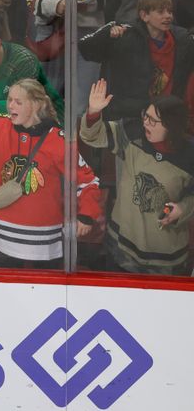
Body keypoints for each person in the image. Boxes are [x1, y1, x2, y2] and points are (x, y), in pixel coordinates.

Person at [0, 52, 102, 267]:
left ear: (35, 106)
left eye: (18, 102)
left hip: (41, 243)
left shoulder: (57, 140)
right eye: (9, 100)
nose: (10, 106)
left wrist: (86, 216)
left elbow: (88, 181)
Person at [80, 79, 194, 275]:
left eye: (153, 121)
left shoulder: (189, 155)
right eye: (145, 116)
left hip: (165, 259)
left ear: (172, 125)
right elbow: (93, 136)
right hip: (121, 248)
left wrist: (182, 209)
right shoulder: (132, 133)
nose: (146, 123)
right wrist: (93, 113)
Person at [79, 0, 194, 122]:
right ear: (144, 15)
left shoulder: (182, 39)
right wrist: (106, 34)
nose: (168, 16)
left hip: (168, 114)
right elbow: (85, 48)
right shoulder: (125, 35)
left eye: (170, 12)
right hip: (131, 116)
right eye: (161, 12)